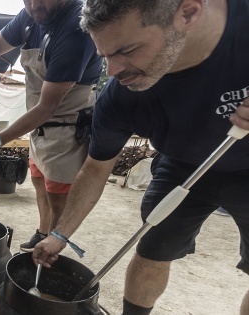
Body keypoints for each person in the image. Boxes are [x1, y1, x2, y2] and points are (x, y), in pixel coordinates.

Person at [34, 0, 249, 314]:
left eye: (126, 50)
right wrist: (59, 235)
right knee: (151, 252)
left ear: (187, 13)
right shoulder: (121, 97)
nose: (113, 71)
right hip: (181, 163)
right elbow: (95, 170)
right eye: (104, 55)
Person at [0, 0, 102, 252]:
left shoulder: (76, 27)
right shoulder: (29, 16)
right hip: (37, 127)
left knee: (57, 196)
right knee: (39, 183)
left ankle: (53, 247)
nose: (34, 5)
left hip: (66, 128)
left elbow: (47, 107)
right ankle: (43, 232)